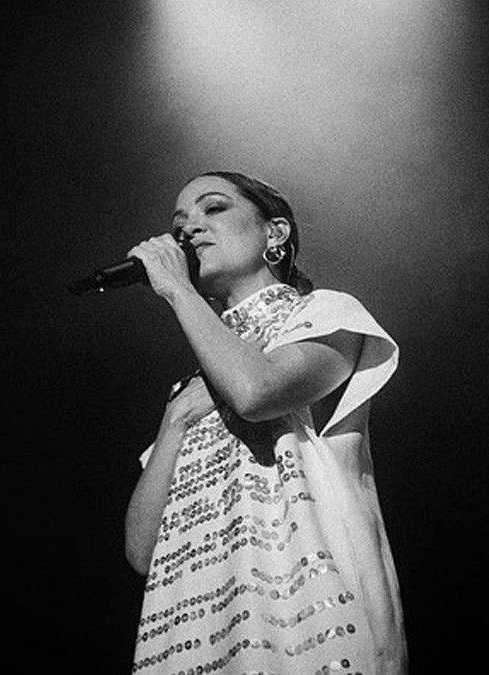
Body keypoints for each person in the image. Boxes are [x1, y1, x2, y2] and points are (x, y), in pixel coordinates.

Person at [123, 171, 407, 674]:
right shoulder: (191, 389)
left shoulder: (324, 314)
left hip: (307, 619)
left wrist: (176, 290)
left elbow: (256, 393)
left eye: (213, 209)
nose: (188, 230)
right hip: (199, 631)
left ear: (274, 234)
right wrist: (175, 418)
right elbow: (144, 551)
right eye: (180, 222)